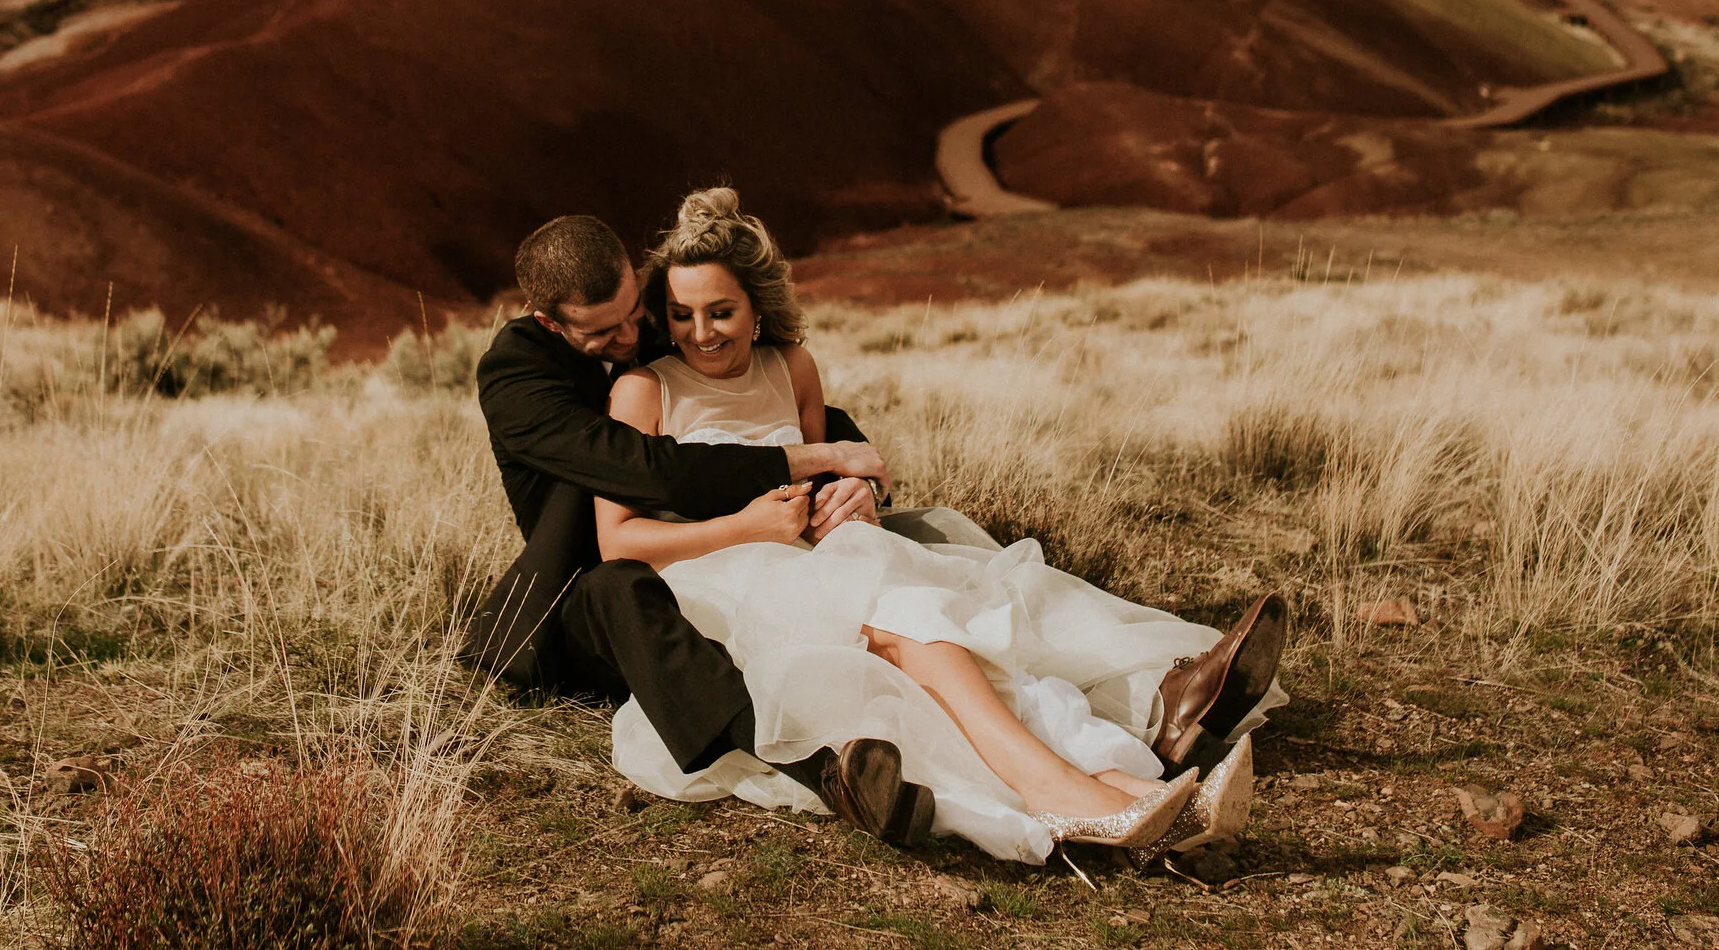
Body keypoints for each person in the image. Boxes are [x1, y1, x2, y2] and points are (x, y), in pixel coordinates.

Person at [596, 188, 1285, 864]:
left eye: (721, 311)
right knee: (917, 627)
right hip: (725, 586)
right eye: (681, 314)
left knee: (951, 626)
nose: (701, 332)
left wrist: (855, 495)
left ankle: (1128, 788)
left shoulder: (793, 368)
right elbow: (618, 542)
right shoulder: (643, 391)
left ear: (757, 308)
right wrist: (747, 528)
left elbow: (826, 474)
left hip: (830, 556)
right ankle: (1070, 789)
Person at [466, 213, 936, 845]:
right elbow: (649, 470)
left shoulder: (660, 322)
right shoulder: (515, 377)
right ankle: (826, 774)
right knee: (616, 585)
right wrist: (805, 465)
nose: (632, 335)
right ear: (549, 321)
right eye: (604, 331)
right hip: (584, 601)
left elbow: (774, 411)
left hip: (704, 577)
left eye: (635, 313)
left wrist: (858, 475)